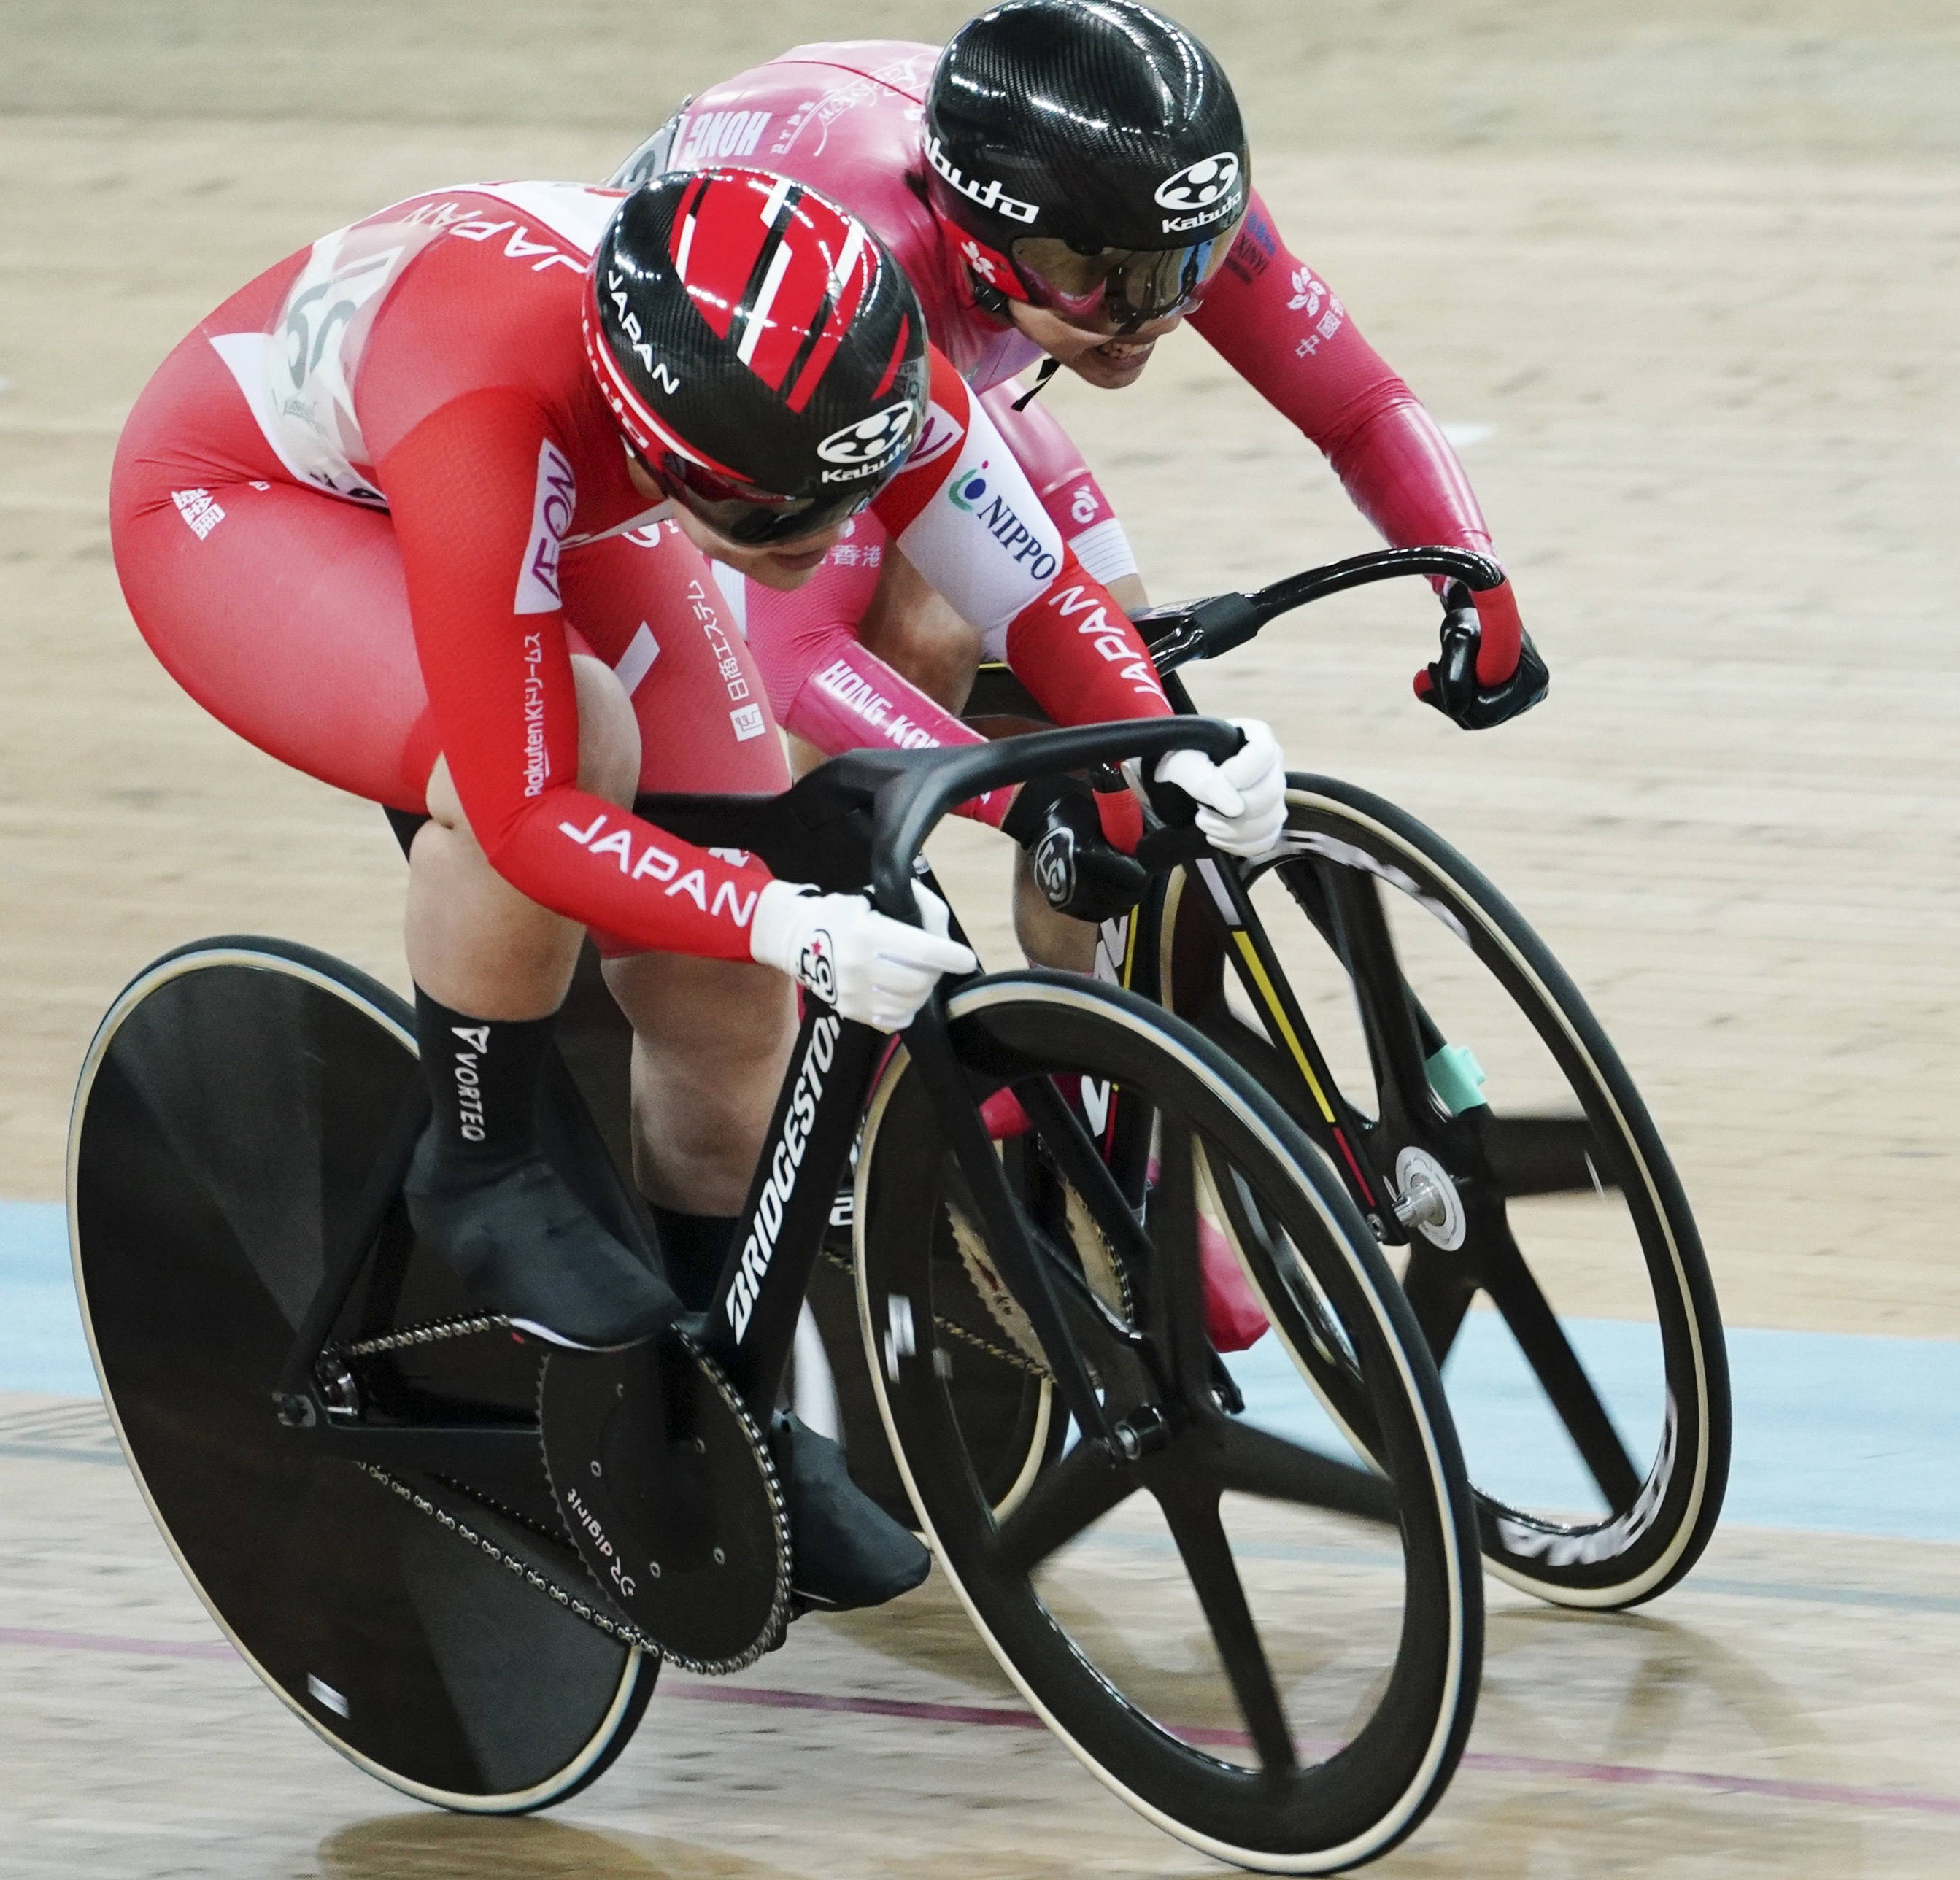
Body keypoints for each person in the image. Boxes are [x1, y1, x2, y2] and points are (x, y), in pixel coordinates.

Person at [108, 166, 1286, 1607]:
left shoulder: (857, 364)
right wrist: (789, 920)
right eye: (762, 509)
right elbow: (532, 815)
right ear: (651, 432)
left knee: (725, 984)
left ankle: (712, 1405)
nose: (811, 542)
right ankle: (480, 1161)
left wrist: (1168, 748)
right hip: (248, 500)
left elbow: (1034, 597)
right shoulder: (499, 404)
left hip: (561, 485)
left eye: (844, 498)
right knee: (570, 744)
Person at [613, 0, 1547, 958]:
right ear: (988, 245)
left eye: (1190, 270)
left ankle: (1083, 1041)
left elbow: (1358, 407)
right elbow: (799, 651)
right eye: (1101, 280)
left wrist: (1474, 582)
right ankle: (841, 982)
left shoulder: (1155, 202)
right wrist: (1023, 801)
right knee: (922, 644)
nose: (1156, 315)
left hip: (934, 351)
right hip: (749, 381)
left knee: (1128, 712)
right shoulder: (877, 270)